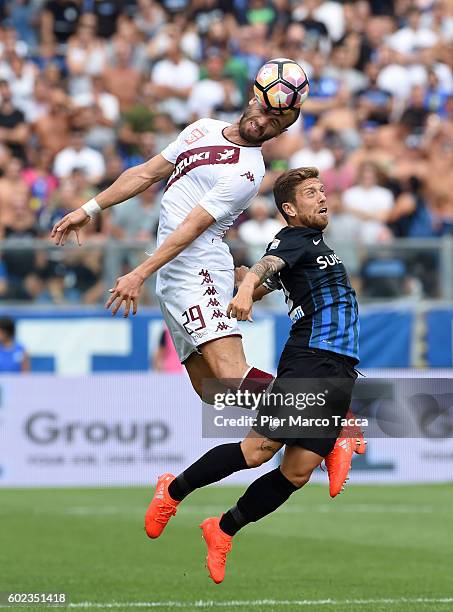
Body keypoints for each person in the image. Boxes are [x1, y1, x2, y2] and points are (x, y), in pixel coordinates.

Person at [51, 61, 353, 496]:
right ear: (254, 96)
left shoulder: (247, 172)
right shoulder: (202, 128)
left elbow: (192, 225)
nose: (264, 123)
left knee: (231, 372)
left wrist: (139, 271)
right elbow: (145, 173)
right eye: (266, 111)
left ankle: (330, 422)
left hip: (198, 265)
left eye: (275, 123)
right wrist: (89, 209)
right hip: (174, 276)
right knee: (212, 391)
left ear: (279, 133)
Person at [144, 167, 364, 583]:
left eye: (322, 190)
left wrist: (250, 286)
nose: (322, 197)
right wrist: (246, 290)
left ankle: (222, 529)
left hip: (339, 365)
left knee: (297, 472)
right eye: (311, 193)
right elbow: (269, 262)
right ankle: (172, 491)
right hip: (311, 357)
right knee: (257, 451)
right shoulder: (293, 238)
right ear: (289, 208)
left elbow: (269, 277)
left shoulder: (315, 246)